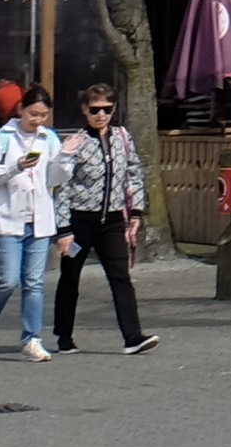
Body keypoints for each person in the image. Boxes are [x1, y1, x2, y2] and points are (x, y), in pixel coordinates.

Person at [45, 85, 156, 355]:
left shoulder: (122, 137)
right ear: (85, 110)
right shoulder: (76, 142)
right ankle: (64, 336)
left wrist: (136, 211)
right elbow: (63, 187)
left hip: (113, 220)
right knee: (70, 277)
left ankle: (132, 336)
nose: (101, 115)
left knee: (121, 277)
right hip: (80, 221)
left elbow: (133, 172)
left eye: (107, 109)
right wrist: (64, 229)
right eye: (95, 110)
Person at [0, 81, 65, 361]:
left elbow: (55, 180)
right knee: (7, 280)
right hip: (5, 220)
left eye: (43, 115)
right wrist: (15, 167)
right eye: (33, 113)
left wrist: (67, 159)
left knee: (34, 283)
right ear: (21, 109)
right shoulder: (3, 136)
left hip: (39, 221)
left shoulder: (49, 139)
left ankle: (31, 337)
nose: (37, 120)